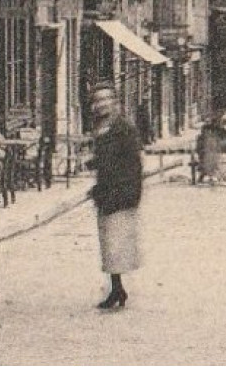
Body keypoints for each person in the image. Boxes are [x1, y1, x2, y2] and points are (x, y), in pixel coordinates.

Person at [86, 82, 142, 310]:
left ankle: (117, 289)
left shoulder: (123, 128)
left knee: (115, 243)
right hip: (107, 191)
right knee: (109, 244)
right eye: (97, 101)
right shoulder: (103, 127)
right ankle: (117, 289)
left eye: (105, 99)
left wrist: (123, 190)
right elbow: (106, 158)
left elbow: (130, 164)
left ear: (115, 102)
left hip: (119, 192)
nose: (101, 105)